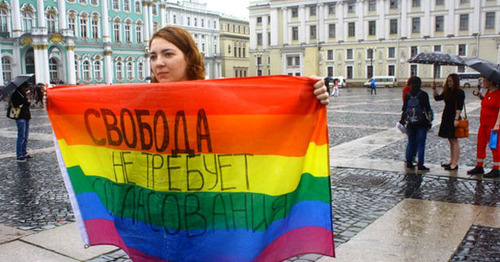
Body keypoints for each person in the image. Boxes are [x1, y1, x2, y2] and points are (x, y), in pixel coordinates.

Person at [149, 25, 330, 104]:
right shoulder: (142, 104)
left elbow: (267, 115)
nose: (159, 63)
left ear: (188, 57)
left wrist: (308, 95)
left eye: (168, 54)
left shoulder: (216, 97)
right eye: (152, 56)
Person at [467, 77, 500, 178]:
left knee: (494, 146)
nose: (483, 83)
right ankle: (479, 165)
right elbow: (488, 103)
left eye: (485, 81)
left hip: (493, 125)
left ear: (491, 82)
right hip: (483, 124)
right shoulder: (488, 92)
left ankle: (496, 168)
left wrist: (497, 124)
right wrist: (481, 96)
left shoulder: (498, 93)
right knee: (480, 144)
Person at [432, 73, 465, 171]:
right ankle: (451, 160)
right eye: (448, 81)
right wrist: (434, 89)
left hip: (453, 117)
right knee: (450, 140)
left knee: (454, 141)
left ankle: (455, 163)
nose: (448, 83)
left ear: (455, 81)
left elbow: (459, 107)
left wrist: (456, 119)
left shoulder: (459, 92)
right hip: (446, 116)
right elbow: (437, 98)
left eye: (450, 81)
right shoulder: (447, 91)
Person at [402, 76, 432, 171]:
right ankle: (420, 164)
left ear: (410, 84)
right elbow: (427, 109)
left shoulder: (408, 95)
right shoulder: (423, 94)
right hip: (421, 122)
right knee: (421, 144)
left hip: (411, 122)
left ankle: (409, 163)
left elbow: (404, 109)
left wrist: (403, 121)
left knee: (411, 143)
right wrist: (429, 122)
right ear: (420, 84)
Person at [10, 82, 32, 162]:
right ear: (22, 87)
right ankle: (19, 155)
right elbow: (16, 104)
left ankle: (24, 152)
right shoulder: (16, 94)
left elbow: (27, 105)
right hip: (20, 117)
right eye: (26, 88)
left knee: (25, 136)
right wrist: (25, 100)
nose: (27, 89)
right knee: (21, 136)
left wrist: (27, 99)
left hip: (26, 116)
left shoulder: (23, 93)